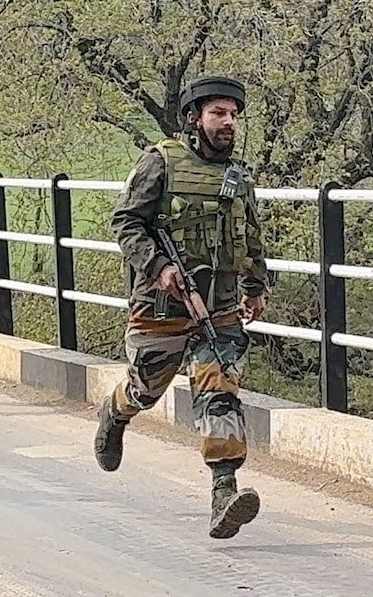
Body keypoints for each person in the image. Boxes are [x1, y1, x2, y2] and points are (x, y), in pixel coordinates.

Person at [96, 75, 270, 539]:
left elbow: (249, 235)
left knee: (220, 390)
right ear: (194, 118)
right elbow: (126, 221)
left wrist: (256, 285)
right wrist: (158, 268)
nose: (228, 123)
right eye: (218, 114)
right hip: (163, 305)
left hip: (221, 308)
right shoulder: (162, 162)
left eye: (233, 115)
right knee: (146, 387)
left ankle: (224, 490)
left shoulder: (238, 176)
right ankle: (115, 413)